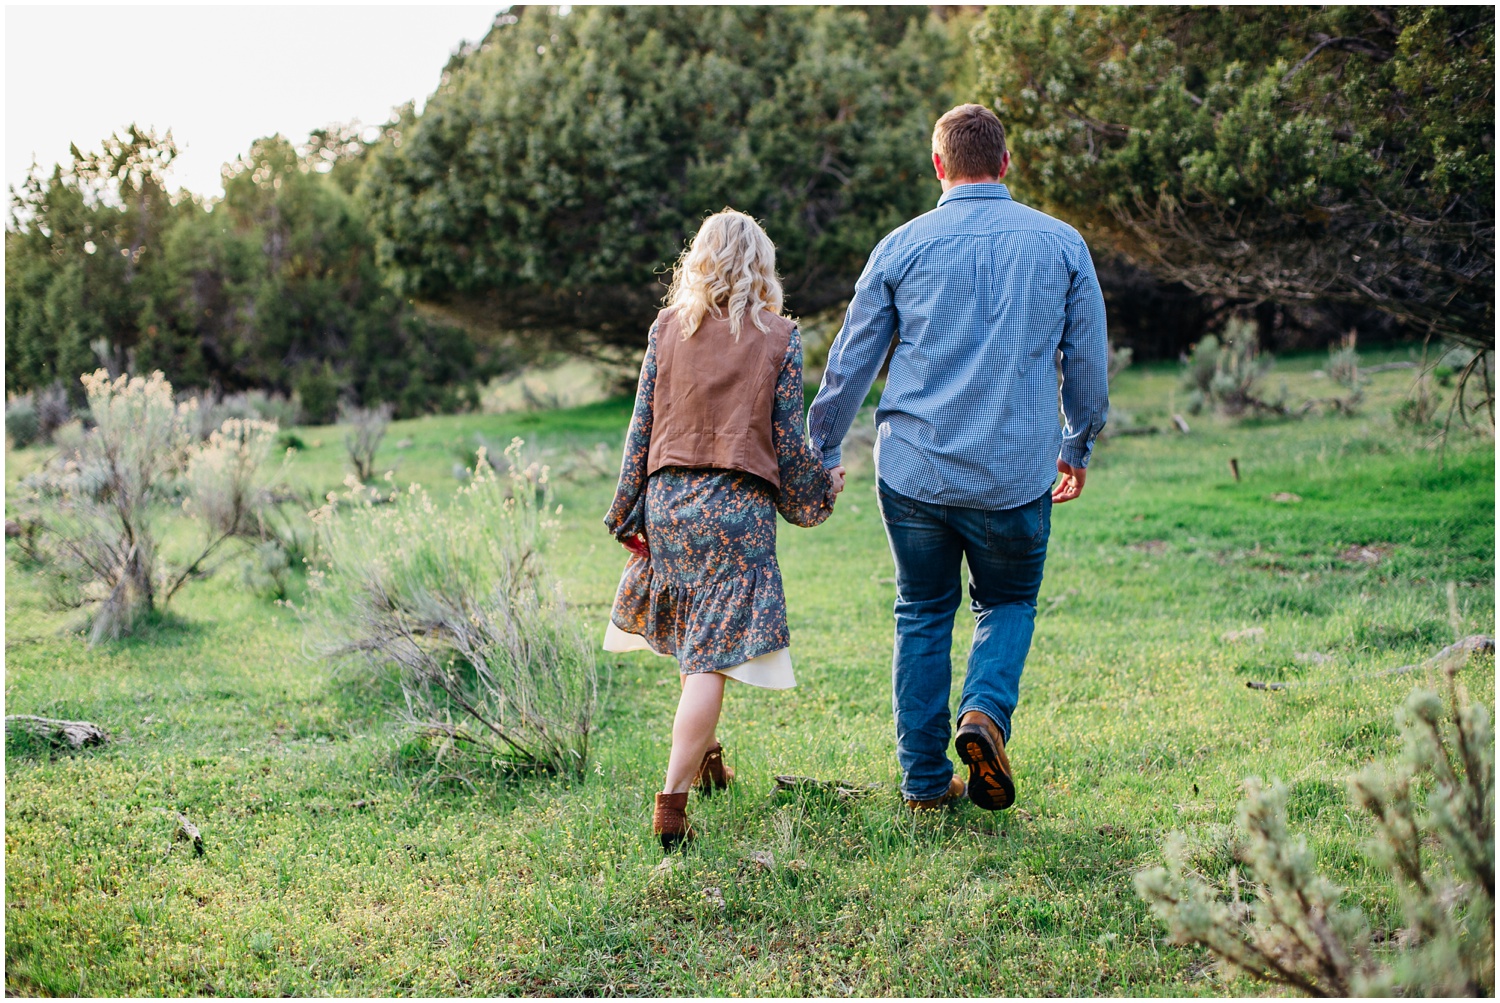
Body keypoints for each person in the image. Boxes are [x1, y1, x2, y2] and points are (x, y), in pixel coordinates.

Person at [807, 104, 1109, 813]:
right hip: (1013, 474)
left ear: (938, 165)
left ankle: (922, 784)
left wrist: (818, 449)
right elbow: (1086, 361)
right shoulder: (1062, 244)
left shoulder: (899, 247)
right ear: (1005, 164)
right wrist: (1078, 441)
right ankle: (984, 716)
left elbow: (849, 364)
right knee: (1007, 600)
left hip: (914, 473)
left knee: (921, 610)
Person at [603, 209, 846, 851]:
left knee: (695, 637)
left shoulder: (667, 329)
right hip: (735, 512)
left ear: (699, 261)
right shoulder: (779, 336)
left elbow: (640, 429)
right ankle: (673, 801)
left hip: (668, 502)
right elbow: (789, 440)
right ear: (760, 265)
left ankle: (708, 761)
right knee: (710, 656)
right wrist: (820, 489)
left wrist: (628, 509)